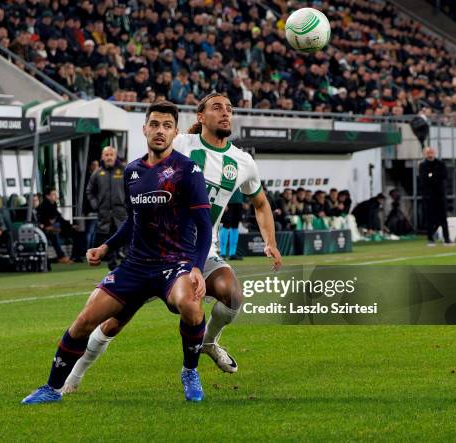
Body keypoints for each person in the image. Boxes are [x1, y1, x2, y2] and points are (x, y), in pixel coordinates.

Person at [62, 93, 282, 393]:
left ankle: (207, 343)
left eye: (230, 109)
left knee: (232, 294)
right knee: (115, 321)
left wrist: (269, 241)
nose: (226, 113)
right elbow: (145, 185)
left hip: (203, 251)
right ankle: (72, 377)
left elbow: (260, 203)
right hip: (157, 253)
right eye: (217, 107)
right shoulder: (180, 144)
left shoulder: (243, 162)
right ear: (200, 117)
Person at [21, 100, 212, 404]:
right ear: (144, 128)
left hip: (174, 265)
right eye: (154, 124)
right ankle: (52, 388)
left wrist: (197, 267)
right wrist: (106, 246)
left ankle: (190, 370)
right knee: (84, 320)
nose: (159, 131)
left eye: (166, 126)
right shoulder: (133, 172)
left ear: (175, 132)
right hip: (134, 267)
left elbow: (205, 226)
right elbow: (132, 222)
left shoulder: (188, 171)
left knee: (190, 304)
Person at [86, 146, 127, 270]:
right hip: (105, 215)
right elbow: (89, 191)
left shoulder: (124, 171)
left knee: (125, 239)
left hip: (121, 213)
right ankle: (113, 269)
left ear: (115, 156)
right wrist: (95, 205)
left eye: (111, 155)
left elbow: (133, 188)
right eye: (106, 155)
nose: (109, 157)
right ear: (102, 157)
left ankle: (128, 267)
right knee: (109, 243)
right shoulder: (97, 173)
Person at [419, 147, 453, 246]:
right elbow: (423, 179)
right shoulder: (423, 165)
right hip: (428, 196)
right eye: (428, 152)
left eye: (432, 152)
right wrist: (434, 176)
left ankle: (447, 239)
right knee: (429, 218)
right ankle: (430, 239)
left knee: (443, 217)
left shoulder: (440, 163)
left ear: (435, 153)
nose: (430, 154)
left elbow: (444, 175)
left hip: (440, 195)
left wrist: (431, 176)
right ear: (425, 154)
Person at [37, 188, 76, 264]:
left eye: (56, 194)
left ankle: (73, 256)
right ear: (48, 196)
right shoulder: (43, 207)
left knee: (74, 231)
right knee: (54, 234)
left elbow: (59, 218)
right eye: (53, 194)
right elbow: (43, 222)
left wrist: (71, 226)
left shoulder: (53, 205)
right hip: (43, 230)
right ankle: (61, 257)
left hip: (53, 228)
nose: (56, 196)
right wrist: (48, 227)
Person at [219, 189, 244, 260]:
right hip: (228, 203)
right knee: (226, 226)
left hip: (238, 203)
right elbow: (222, 187)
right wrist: (223, 202)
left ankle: (232, 254)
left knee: (235, 227)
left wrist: (244, 201)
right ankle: (222, 253)